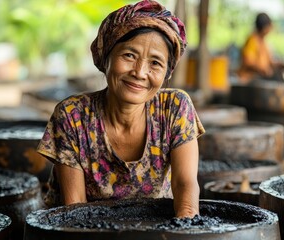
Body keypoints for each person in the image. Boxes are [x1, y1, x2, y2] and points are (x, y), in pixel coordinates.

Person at [37, 0, 205, 218]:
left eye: (155, 63)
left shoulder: (175, 108)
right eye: (129, 55)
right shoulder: (72, 116)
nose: (140, 72)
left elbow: (185, 187)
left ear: (166, 73)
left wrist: (184, 229)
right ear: (106, 56)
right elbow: (75, 213)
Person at [237, 13, 284, 84]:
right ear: (265, 27)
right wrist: (263, 70)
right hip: (249, 80)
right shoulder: (252, 40)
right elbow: (248, 62)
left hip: (260, 80)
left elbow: (271, 63)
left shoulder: (264, 43)